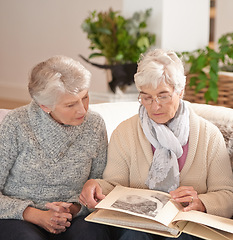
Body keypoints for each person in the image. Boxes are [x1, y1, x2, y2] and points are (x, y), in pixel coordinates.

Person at [79, 49, 233, 240]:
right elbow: (113, 185)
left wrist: (201, 202)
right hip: (137, 227)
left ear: (181, 91)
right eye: (146, 97)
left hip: (186, 227)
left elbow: (227, 195)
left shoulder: (209, 135)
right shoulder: (125, 132)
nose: (155, 106)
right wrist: (97, 187)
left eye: (163, 96)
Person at [0, 55, 111, 240]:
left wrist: (74, 208)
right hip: (20, 218)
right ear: (45, 106)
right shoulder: (16, 124)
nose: (83, 110)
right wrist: (35, 214)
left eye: (85, 97)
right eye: (70, 104)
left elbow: (99, 183)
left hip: (75, 217)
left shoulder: (95, 124)